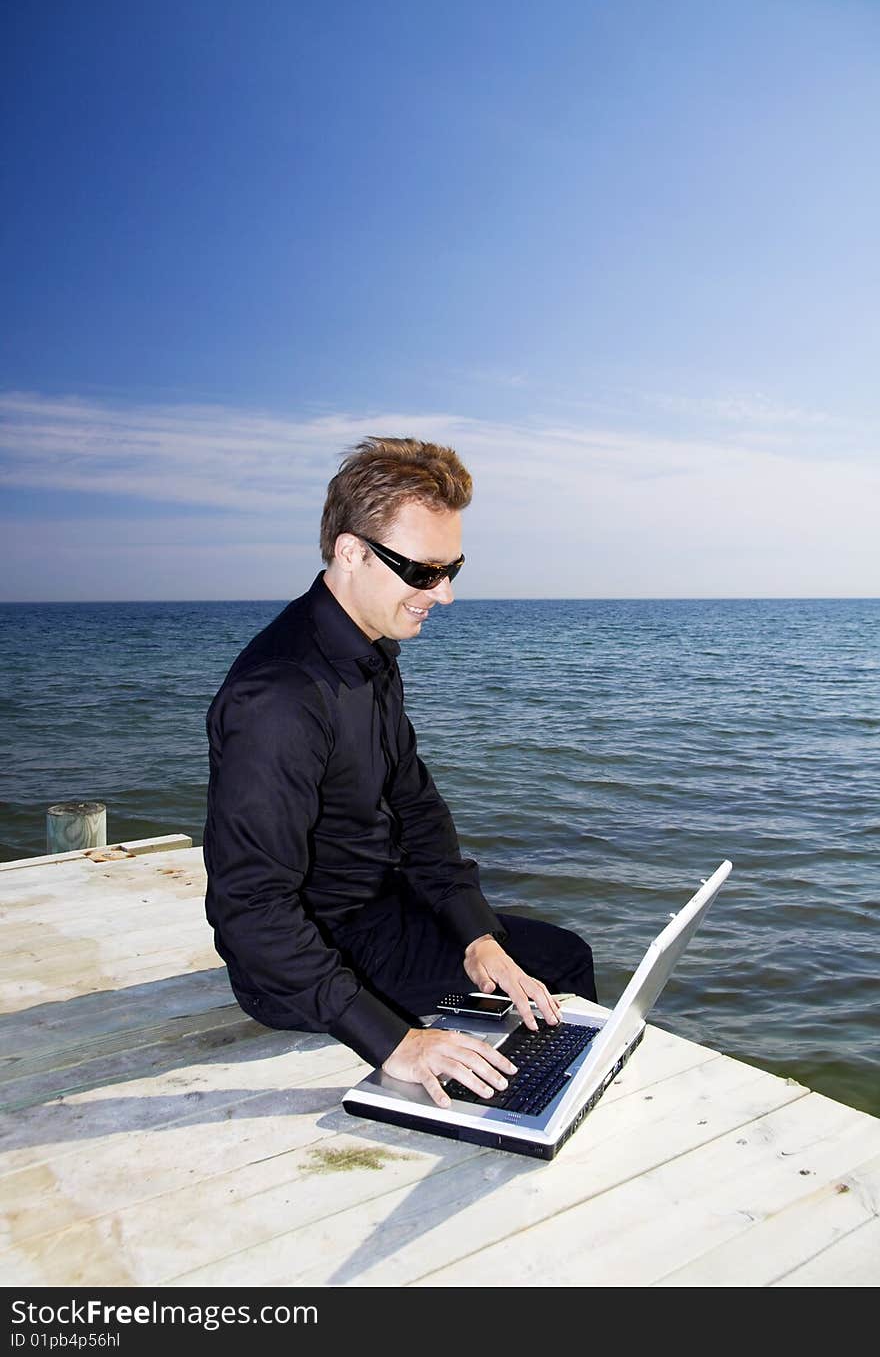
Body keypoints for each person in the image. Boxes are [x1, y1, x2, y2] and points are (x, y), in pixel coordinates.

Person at [204, 437, 597, 1108]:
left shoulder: (368, 651)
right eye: (423, 572)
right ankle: (509, 1118)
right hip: (308, 955)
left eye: (453, 570)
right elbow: (251, 908)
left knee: (549, 959)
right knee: (557, 969)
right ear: (351, 552)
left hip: (379, 912)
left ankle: (531, 1105)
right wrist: (395, 1042)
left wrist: (475, 933)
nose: (443, 596)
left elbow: (414, 806)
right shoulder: (281, 696)